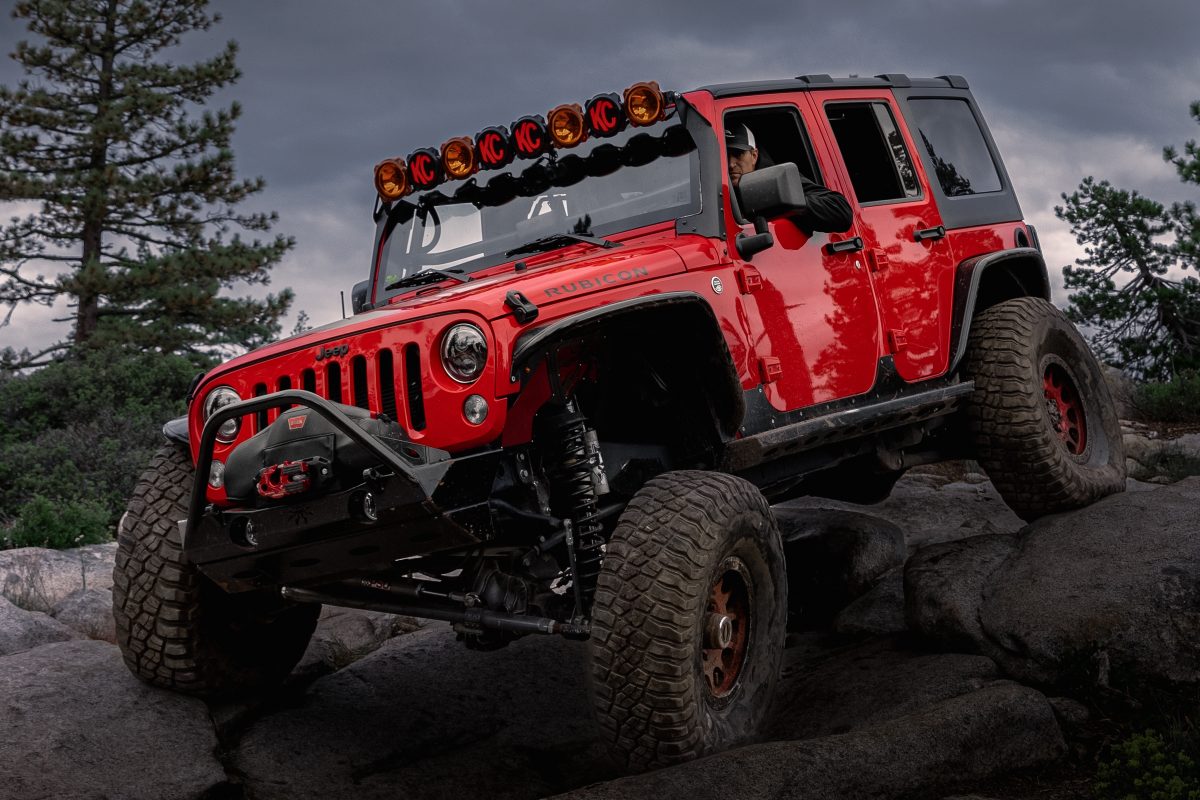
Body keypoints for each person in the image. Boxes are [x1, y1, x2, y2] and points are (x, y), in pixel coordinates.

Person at [726, 123, 853, 233]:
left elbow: (841, 211)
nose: (731, 164)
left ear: (754, 155)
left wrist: (786, 202)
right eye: (726, 155)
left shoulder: (778, 179)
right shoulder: (712, 189)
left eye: (738, 154)